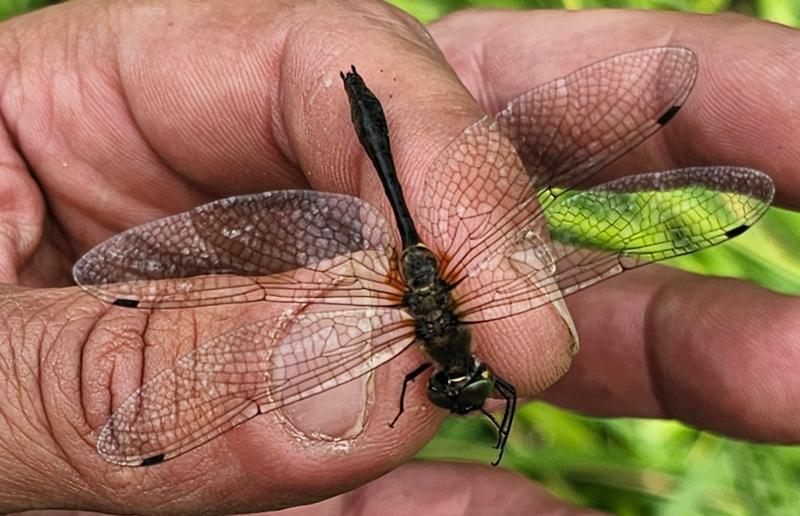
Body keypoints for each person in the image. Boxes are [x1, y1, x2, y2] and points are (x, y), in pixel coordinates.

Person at [0, 0, 797, 514]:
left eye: (458, 386)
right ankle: (364, 110)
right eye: (467, 382)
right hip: (411, 258)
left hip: (411, 266)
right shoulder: (442, 333)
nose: (458, 385)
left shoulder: (427, 346)